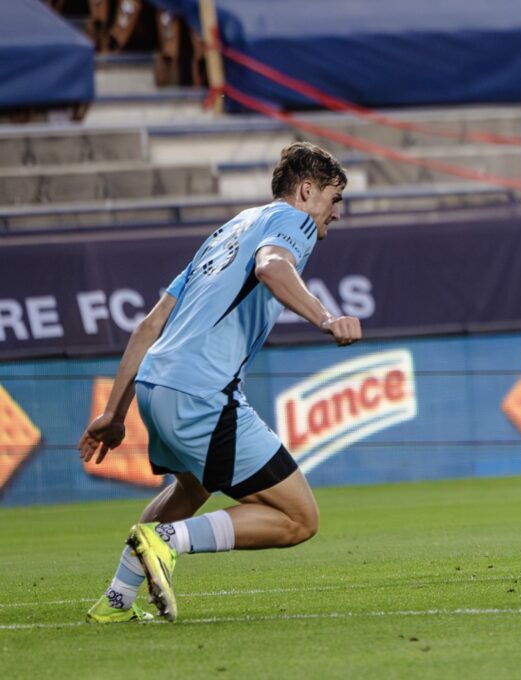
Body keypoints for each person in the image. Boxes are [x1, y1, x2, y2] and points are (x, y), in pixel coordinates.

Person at [79, 142, 362, 623]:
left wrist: (114, 413)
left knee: (192, 488)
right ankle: (166, 540)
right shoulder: (292, 221)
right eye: (334, 199)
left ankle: (117, 600)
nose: (337, 212)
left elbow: (150, 325)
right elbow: (272, 266)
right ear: (306, 190)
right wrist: (326, 317)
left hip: (155, 386)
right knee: (298, 518)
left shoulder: (229, 230)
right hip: (200, 391)